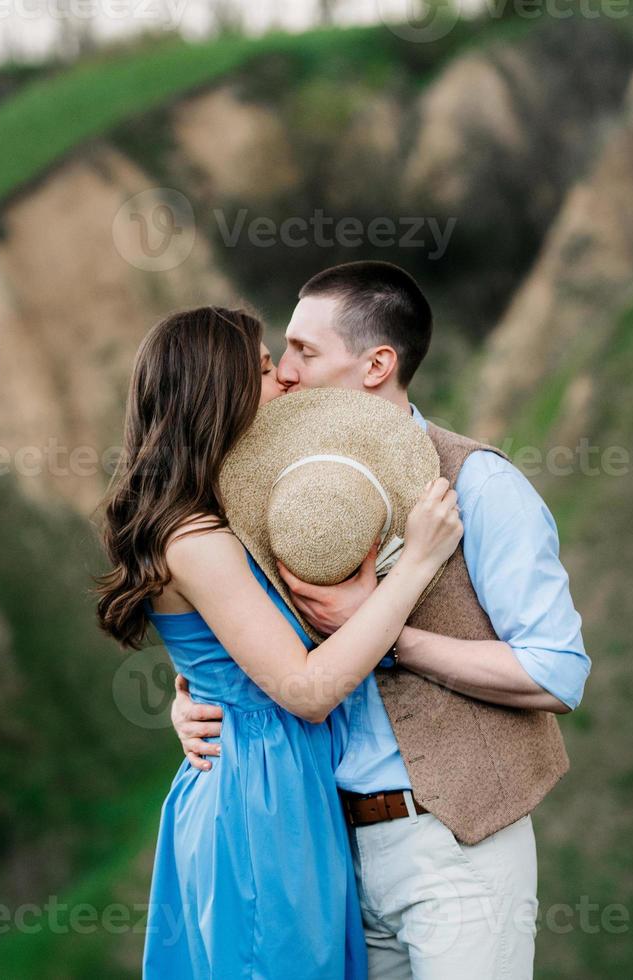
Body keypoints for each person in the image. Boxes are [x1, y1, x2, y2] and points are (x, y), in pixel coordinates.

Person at [171, 263, 591, 979]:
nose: (288, 374)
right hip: (326, 853)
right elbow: (250, 644)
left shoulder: (480, 484)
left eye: (304, 352)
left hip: (458, 846)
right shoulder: (267, 490)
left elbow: (557, 672)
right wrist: (191, 702)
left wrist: (392, 638)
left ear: (377, 365)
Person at [96, 305, 463, 979]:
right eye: (265, 370)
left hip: (280, 785)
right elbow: (307, 690)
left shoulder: (225, 515)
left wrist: (193, 696)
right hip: (258, 802)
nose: (285, 381)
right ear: (223, 394)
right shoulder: (196, 540)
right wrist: (414, 569)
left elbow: (233, 662)